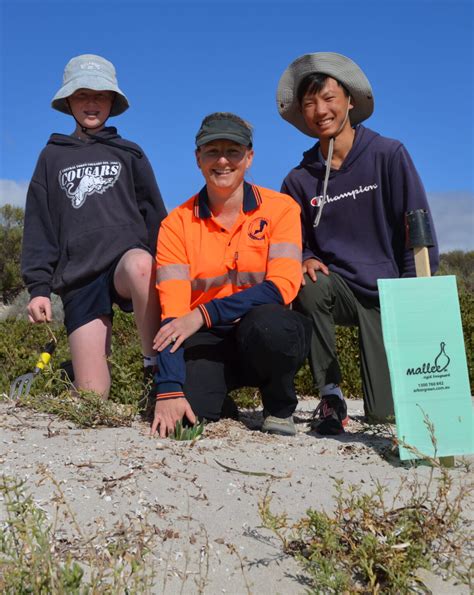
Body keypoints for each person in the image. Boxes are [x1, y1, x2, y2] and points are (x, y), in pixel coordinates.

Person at [277, 52, 439, 434]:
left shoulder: (388, 154)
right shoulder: (299, 179)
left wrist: (413, 299)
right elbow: (292, 240)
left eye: (329, 98)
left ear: (350, 100)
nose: (321, 110)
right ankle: (330, 395)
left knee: (386, 416)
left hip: (390, 289)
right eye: (310, 103)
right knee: (307, 282)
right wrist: (303, 256)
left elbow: (418, 231)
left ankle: (388, 398)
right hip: (341, 288)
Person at [151, 112, 311, 438]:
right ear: (198, 158)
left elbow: (282, 287)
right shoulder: (174, 225)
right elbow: (173, 316)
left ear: (249, 157)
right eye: (212, 151)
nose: (222, 161)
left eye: (233, 151)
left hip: (261, 333)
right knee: (184, 422)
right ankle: (219, 401)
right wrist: (167, 387)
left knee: (273, 325)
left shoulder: (281, 209)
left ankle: (278, 407)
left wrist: (204, 313)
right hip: (208, 341)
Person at [21, 54, 167, 398]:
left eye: (100, 95)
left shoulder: (130, 153)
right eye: (82, 95)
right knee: (92, 396)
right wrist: (38, 287)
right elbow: (39, 223)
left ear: (112, 101)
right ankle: (73, 374)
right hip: (80, 276)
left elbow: (155, 217)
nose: (91, 103)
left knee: (142, 264)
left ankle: (152, 367)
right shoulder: (51, 156)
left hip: (124, 266)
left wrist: (172, 270)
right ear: (68, 101)